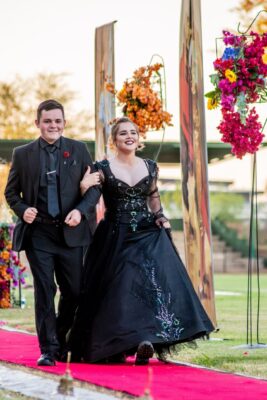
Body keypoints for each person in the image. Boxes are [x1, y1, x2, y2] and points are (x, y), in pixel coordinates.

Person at [67, 116, 214, 365]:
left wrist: (160, 216)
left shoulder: (150, 166)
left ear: (138, 138)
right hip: (116, 235)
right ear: (114, 140)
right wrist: (82, 193)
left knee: (155, 284)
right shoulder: (101, 168)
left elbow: (153, 195)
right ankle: (128, 341)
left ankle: (147, 341)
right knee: (123, 287)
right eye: (123, 133)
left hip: (148, 233)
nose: (129, 136)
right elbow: (91, 198)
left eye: (133, 132)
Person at [4, 99, 100, 366]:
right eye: (47, 121)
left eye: (58, 121)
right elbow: (11, 192)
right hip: (39, 234)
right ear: (38, 123)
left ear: (64, 123)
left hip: (71, 233)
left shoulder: (79, 150)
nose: (53, 125)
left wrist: (81, 211)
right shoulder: (22, 154)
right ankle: (48, 349)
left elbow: (93, 188)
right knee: (45, 290)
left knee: (75, 291)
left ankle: (58, 337)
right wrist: (23, 209)